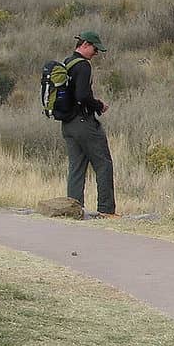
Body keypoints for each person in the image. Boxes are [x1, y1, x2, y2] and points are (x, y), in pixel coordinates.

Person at [61, 31, 117, 217]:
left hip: (68, 124)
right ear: (84, 44)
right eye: (94, 48)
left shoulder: (67, 63)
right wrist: (99, 105)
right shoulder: (83, 66)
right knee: (103, 164)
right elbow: (82, 95)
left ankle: (73, 210)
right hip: (84, 122)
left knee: (76, 168)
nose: (96, 53)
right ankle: (106, 210)